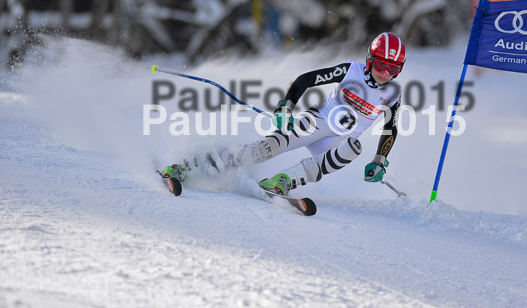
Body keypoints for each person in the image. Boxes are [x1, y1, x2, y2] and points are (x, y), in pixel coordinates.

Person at [161, 32, 405, 195]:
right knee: (267, 148)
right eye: (381, 64)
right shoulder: (351, 70)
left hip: (337, 141)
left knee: (353, 147)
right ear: (370, 59)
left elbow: (390, 128)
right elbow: (306, 79)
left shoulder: (393, 92)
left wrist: (379, 160)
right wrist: (286, 107)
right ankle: (189, 166)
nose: (385, 73)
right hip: (316, 122)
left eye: (392, 68)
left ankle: (283, 181)